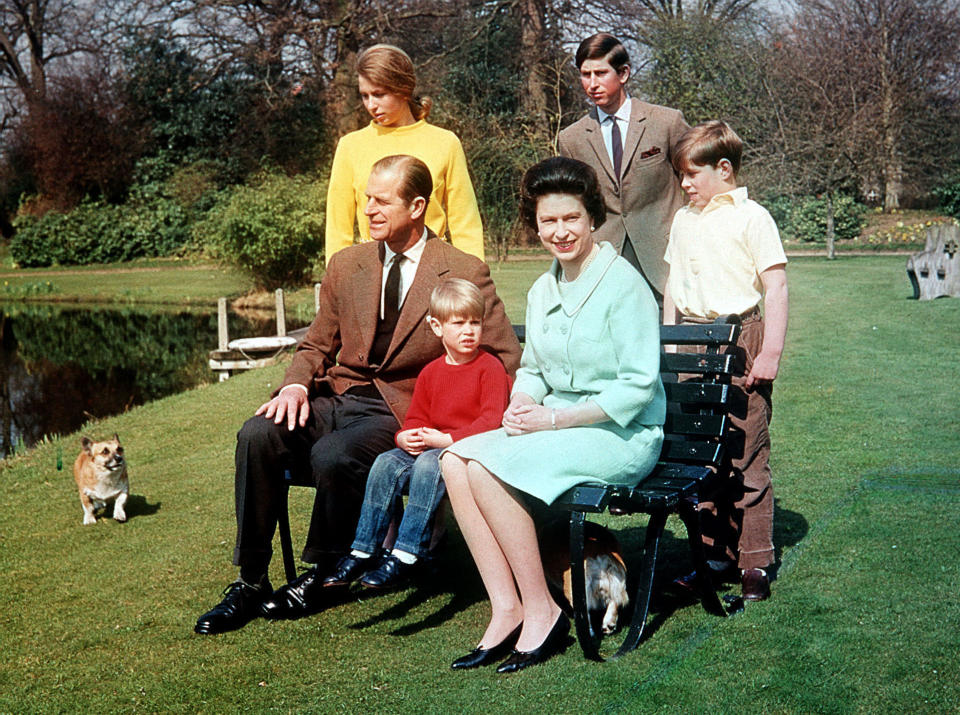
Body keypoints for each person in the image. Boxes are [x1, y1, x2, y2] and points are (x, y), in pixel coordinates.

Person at [194, 155, 521, 635]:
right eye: (367, 198)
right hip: (338, 394)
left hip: (405, 409)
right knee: (258, 434)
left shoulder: (462, 269)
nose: (367, 208)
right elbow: (317, 342)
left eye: (380, 200)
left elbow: (502, 356)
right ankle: (251, 579)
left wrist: (452, 427)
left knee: (335, 454)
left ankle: (326, 575)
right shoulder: (347, 264)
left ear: (416, 206)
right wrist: (293, 384)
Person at [440, 157, 666, 673]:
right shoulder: (544, 289)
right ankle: (508, 606)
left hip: (622, 434)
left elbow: (636, 389)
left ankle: (543, 609)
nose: (560, 232)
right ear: (535, 225)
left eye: (570, 219)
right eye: (548, 221)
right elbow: (536, 369)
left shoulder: (623, 284)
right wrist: (523, 402)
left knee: (489, 469)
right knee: (456, 459)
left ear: (592, 218)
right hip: (557, 426)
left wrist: (554, 421)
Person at [663, 120, 789, 602]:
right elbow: (673, 286)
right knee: (703, 455)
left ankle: (755, 559)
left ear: (724, 169)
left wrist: (770, 352)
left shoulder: (753, 217)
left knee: (745, 453)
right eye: (680, 176)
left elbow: (775, 286)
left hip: (740, 338)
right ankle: (714, 555)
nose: (685, 184)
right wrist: (672, 347)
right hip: (692, 340)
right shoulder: (683, 220)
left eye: (692, 174)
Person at [324, 278, 512, 591]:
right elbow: (415, 418)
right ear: (437, 327)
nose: (469, 331)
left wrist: (446, 441)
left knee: (427, 464)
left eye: (475, 323)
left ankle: (408, 552)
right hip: (432, 446)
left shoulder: (488, 368)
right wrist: (404, 436)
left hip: (470, 452)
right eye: (459, 323)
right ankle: (363, 548)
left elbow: (491, 422)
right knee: (386, 461)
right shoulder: (431, 372)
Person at [325, 44, 485, 263]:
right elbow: (337, 228)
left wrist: (473, 282)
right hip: (373, 270)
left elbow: (465, 224)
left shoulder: (445, 143)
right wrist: (338, 283)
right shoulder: (350, 146)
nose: (371, 105)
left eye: (379, 94)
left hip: (433, 268)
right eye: (365, 95)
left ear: (403, 89)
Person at [558, 32, 689, 299]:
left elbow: (698, 181)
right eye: (585, 75)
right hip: (604, 267)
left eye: (600, 73)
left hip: (667, 264)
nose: (592, 83)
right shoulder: (571, 139)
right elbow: (573, 207)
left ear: (624, 73)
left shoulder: (666, 122)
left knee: (671, 341)